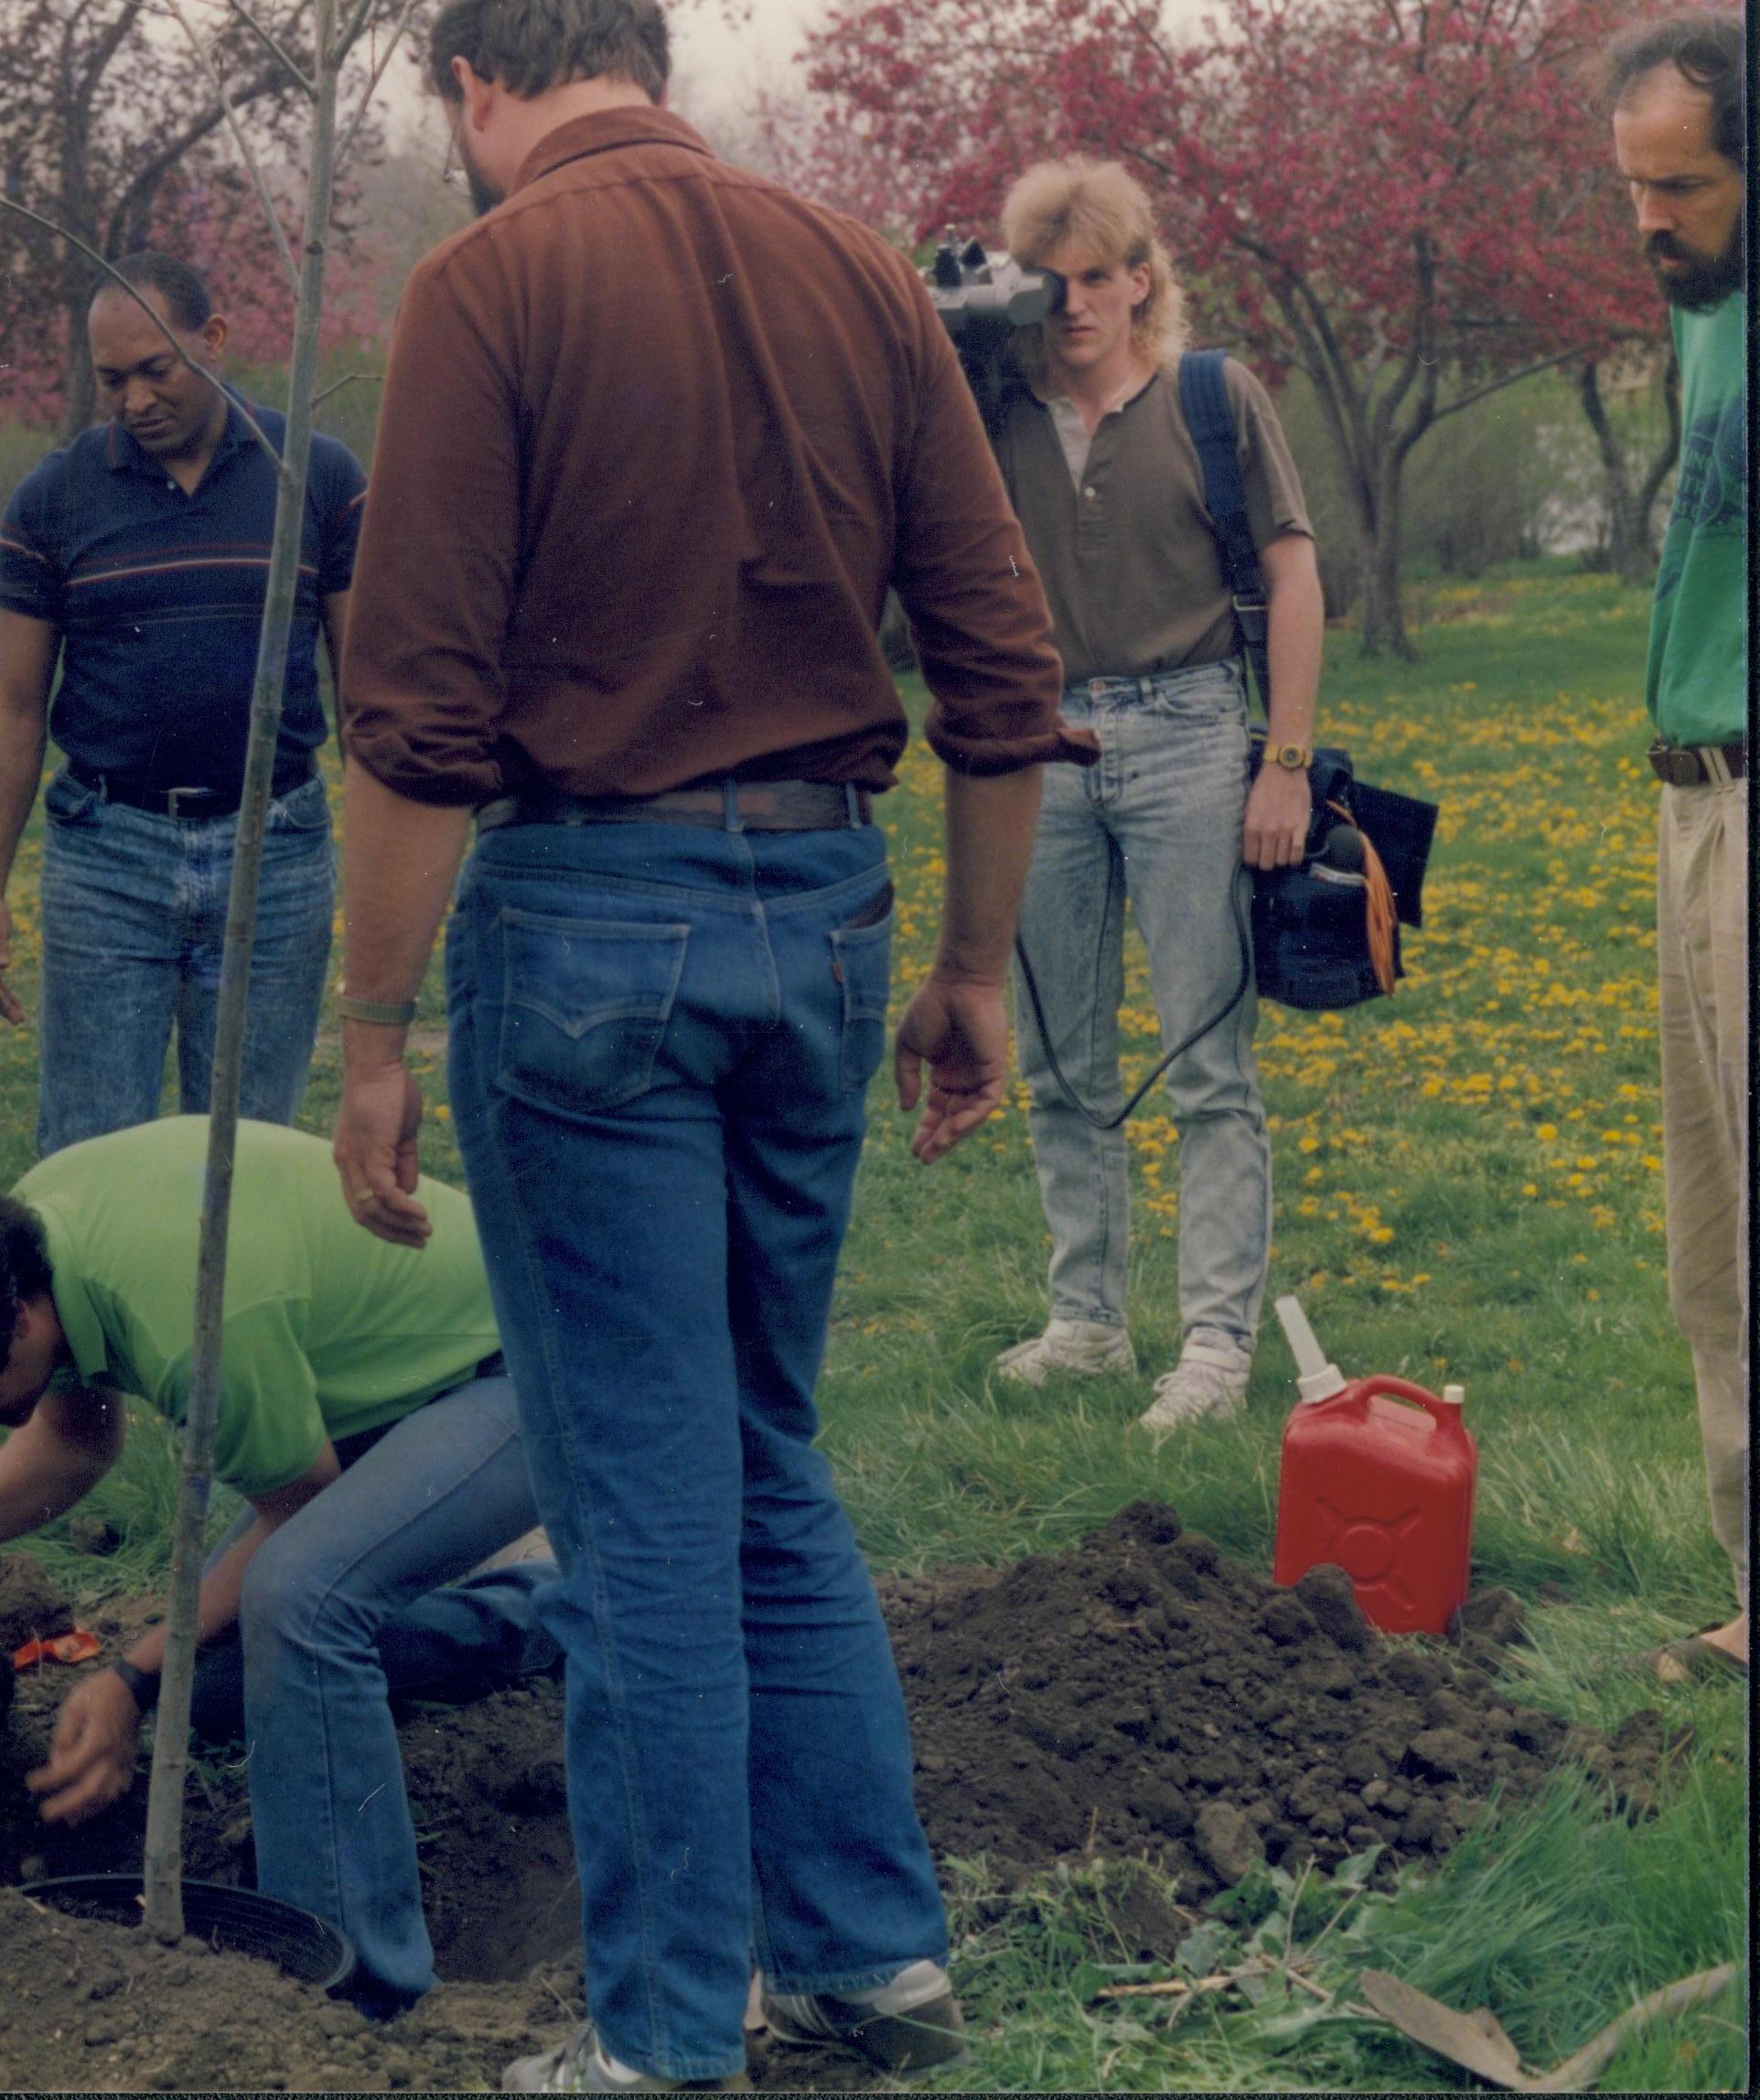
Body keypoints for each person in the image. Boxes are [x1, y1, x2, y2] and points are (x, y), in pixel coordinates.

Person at [327, 0, 1088, 2084]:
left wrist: (371, 1028)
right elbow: (1004, 667)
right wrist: (967, 964)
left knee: (638, 1501)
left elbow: (410, 715)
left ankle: (666, 2037)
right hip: (825, 927)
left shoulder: (489, 282)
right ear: (643, 60)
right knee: (760, 1454)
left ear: (480, 89)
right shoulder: (859, 267)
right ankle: (869, 1957)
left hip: (592, 935)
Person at [0, 1118, 559, 2020]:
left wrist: (128, 1675)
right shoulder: (36, 1238)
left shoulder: (190, 1320)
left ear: (19, 1319)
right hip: (378, 1382)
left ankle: (353, 1984)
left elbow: (298, 1519)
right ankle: (545, 1618)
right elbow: (80, 1437)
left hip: (524, 1365)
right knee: (207, 1683)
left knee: (298, 1604)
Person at [976, 160, 1324, 1433]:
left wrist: (1281, 761)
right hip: (1045, 741)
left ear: (1139, 280)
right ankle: (1089, 1324)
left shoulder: (1209, 396)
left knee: (1205, 1063)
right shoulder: (994, 413)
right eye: (1048, 282)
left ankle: (1218, 1346)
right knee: (1065, 1059)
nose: (1072, 305)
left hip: (1188, 733)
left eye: (1095, 278)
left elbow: (1293, 579)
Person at [0, 251, 368, 1156]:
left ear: (212, 339)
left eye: (155, 369)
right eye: (112, 380)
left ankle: (230, 1307)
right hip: (109, 860)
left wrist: (386, 874)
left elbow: (366, 687)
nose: (135, 400)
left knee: (252, 1160)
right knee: (88, 1156)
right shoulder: (52, 499)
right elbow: (13, 704)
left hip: (277, 854)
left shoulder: (316, 478)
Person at [1606, 11, 1746, 1686]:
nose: (1650, 219)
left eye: (1687, 186)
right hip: (1691, 795)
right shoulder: (1703, 318)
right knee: (1710, 1236)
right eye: (1631, 185)